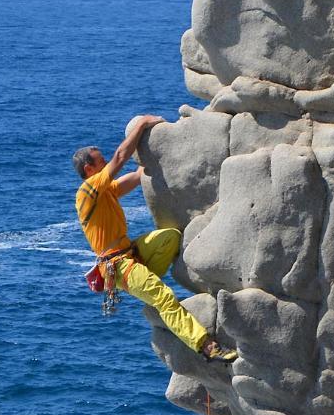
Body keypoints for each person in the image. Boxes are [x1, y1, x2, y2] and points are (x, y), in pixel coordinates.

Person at [73, 115, 237, 361]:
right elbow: (120, 157)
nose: (106, 164)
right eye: (101, 162)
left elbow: (136, 176)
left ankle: (147, 286)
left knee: (170, 237)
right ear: (89, 169)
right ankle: (206, 346)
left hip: (132, 254)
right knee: (164, 297)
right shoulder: (87, 192)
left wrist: (155, 155)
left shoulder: (105, 192)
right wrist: (141, 125)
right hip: (119, 266)